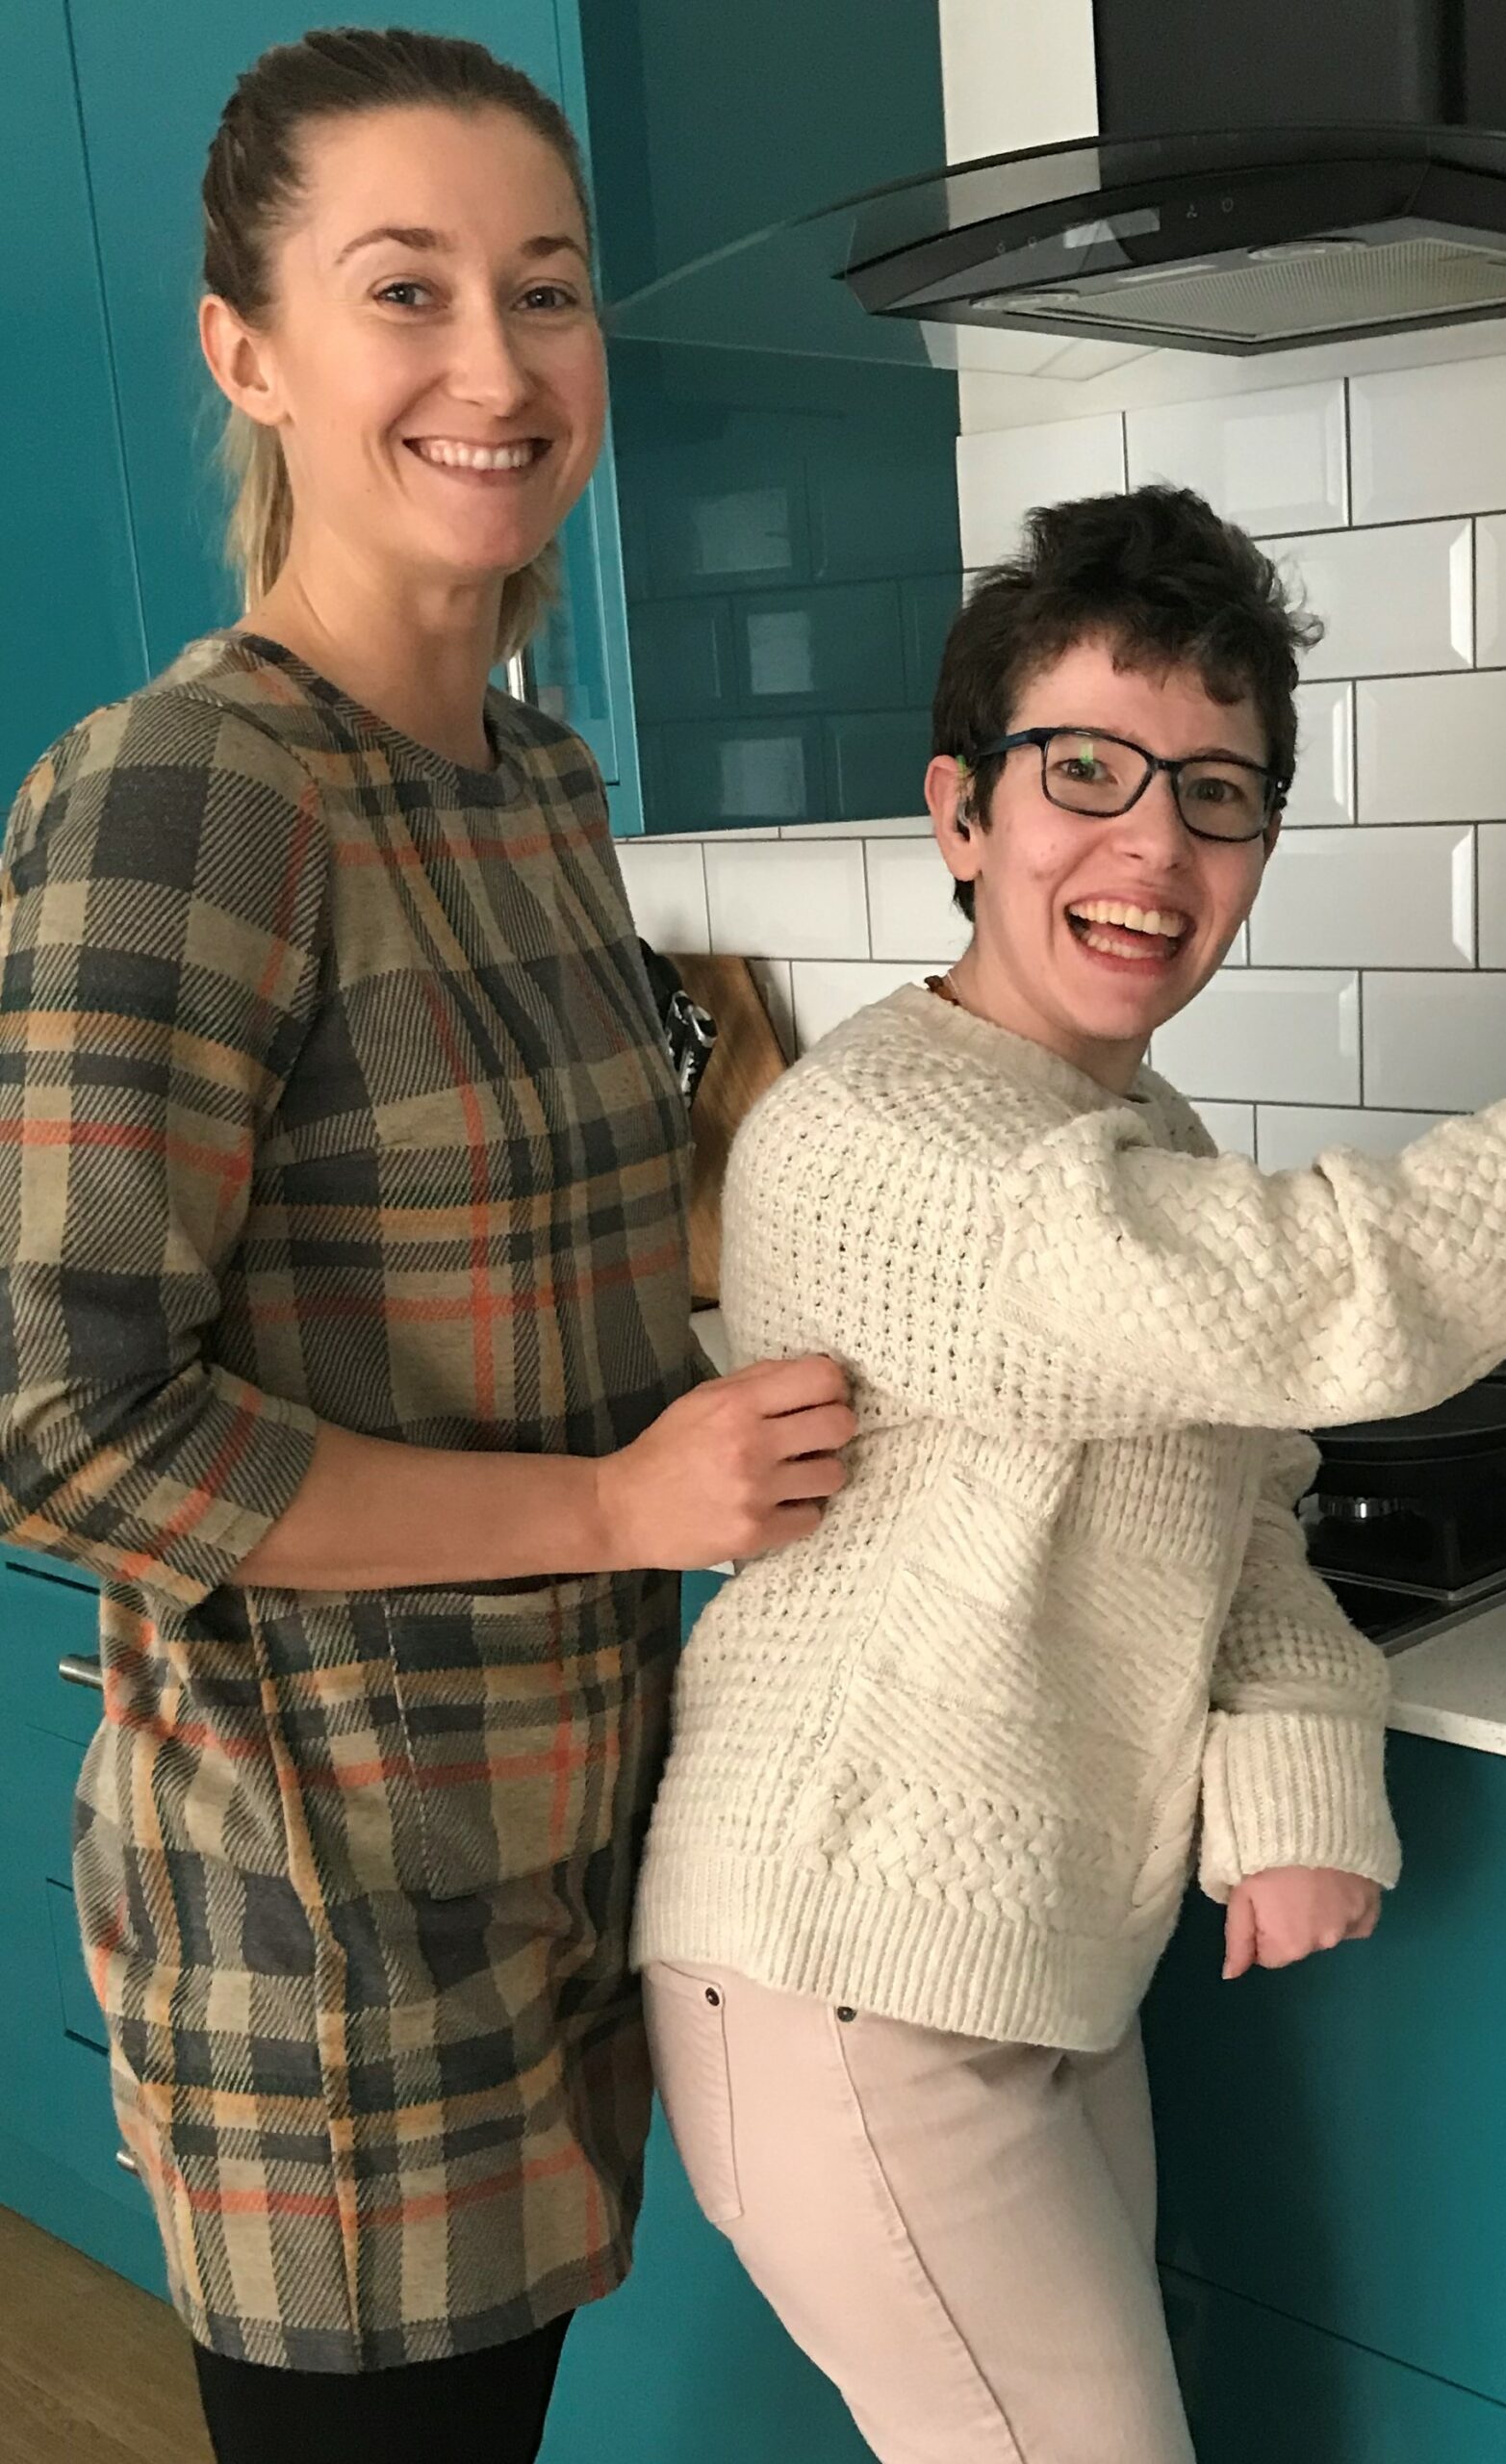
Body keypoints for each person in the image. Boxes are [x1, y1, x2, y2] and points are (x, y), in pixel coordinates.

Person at [633, 483, 1506, 2464]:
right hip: (843, 1987)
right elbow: (1346, 1298)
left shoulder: (1121, 1117)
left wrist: (1298, 1764)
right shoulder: (902, 1138)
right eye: (1085, 770)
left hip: (1013, 1965)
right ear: (960, 813)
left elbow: (1236, 1498)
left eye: (1216, 794)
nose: (1152, 841)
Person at [0, 30, 849, 2464]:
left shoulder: (530, 782)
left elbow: (529, 1270)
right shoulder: (191, 792)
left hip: (557, 1855)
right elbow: (53, 1421)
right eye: (407, 290)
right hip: (323, 1917)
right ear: (245, 349)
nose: (499, 366)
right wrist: (609, 1507)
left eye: (547, 291)